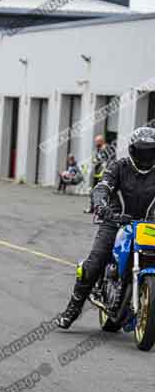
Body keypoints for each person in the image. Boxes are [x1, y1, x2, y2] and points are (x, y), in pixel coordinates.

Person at [56, 127, 155, 329]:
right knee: (95, 263)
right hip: (116, 221)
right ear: (132, 150)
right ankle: (72, 309)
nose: (147, 156)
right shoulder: (119, 166)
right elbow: (102, 186)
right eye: (142, 151)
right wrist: (101, 204)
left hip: (148, 226)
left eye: (151, 151)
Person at [84, 135, 116, 213]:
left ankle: (104, 209)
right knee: (93, 191)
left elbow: (112, 158)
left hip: (104, 174)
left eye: (97, 141)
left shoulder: (107, 148)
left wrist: (107, 168)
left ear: (102, 141)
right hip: (97, 173)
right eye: (96, 141)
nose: (96, 143)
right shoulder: (98, 150)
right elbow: (96, 160)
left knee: (104, 191)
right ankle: (92, 208)